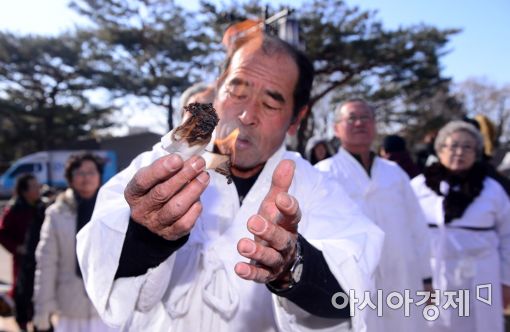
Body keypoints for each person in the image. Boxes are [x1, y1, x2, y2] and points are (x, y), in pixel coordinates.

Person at [76, 34, 384, 331]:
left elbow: (350, 287)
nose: (248, 114)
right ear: (218, 90)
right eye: (237, 91)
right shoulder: (165, 164)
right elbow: (102, 247)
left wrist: (293, 266)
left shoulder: (316, 188)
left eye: (271, 102)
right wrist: (146, 235)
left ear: (296, 118)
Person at [316, 99, 432, 332]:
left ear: (375, 125)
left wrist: (427, 277)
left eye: (366, 118)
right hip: (351, 281)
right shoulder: (323, 174)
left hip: (403, 275)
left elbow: (417, 226)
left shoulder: (394, 172)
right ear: (336, 128)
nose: (359, 123)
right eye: (351, 118)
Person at [411, 121, 510, 332]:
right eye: (453, 145)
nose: (459, 152)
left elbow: (508, 236)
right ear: (440, 150)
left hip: (481, 279)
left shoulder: (492, 190)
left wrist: (506, 280)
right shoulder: (418, 186)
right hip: (433, 279)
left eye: (467, 147)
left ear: (477, 152)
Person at [33, 153, 118, 332]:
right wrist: (42, 307)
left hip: (107, 306)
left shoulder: (113, 210)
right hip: (70, 306)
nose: (86, 177)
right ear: (70, 178)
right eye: (80, 172)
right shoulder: (57, 213)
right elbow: (46, 262)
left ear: (100, 176)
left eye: (91, 172)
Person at [0, 173, 46, 330]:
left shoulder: (41, 207)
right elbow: (2, 233)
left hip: (41, 259)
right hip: (22, 262)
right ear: (25, 191)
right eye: (34, 186)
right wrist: (16, 247)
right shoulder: (14, 209)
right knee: (23, 295)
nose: (38, 189)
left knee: (40, 293)